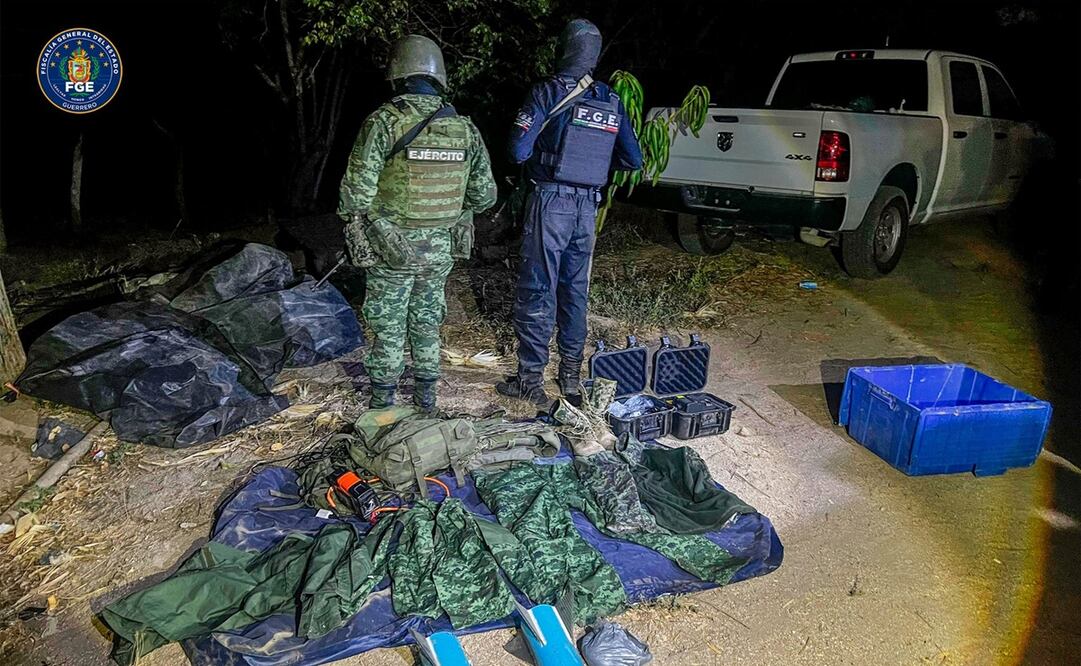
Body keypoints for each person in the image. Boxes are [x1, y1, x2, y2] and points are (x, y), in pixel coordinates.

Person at [339, 34, 497, 412]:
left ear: (397, 74)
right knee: (427, 320)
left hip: (391, 246)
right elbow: (485, 197)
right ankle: (426, 401)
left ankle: (383, 406)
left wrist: (361, 222)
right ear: (438, 76)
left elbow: (356, 194)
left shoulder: (383, 122)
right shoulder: (464, 129)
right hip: (440, 247)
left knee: (388, 325)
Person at [496, 19, 643, 406]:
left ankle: (530, 381)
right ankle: (571, 381)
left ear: (564, 49)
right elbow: (633, 159)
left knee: (538, 288)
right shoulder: (609, 98)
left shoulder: (546, 92)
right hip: (586, 208)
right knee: (575, 292)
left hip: (551, 204)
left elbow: (518, 151)